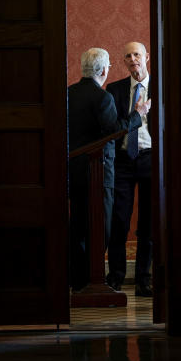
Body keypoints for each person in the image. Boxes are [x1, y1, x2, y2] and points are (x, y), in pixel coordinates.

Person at [68, 48, 151, 292]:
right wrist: (138, 114)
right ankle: (95, 281)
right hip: (100, 171)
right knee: (103, 227)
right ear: (104, 70)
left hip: (75, 169)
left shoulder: (69, 93)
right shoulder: (105, 96)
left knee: (78, 226)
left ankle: (79, 281)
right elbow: (114, 131)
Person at [105, 41, 154, 297]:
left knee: (147, 224)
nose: (132, 58)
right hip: (123, 160)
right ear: (123, 62)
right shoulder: (114, 90)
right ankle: (115, 277)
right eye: (127, 56)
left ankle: (144, 280)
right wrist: (136, 113)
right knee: (119, 221)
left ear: (146, 57)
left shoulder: (160, 88)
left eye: (137, 54)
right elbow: (113, 128)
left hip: (150, 159)